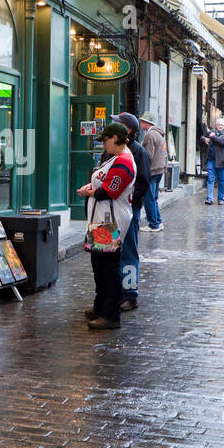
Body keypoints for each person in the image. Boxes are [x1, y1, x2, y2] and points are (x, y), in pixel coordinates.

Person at [77, 122, 136, 329]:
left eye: (105, 140)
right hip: (102, 220)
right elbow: (103, 183)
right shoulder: (116, 159)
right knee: (99, 266)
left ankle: (110, 314)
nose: (104, 144)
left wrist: (91, 192)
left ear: (116, 139)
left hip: (110, 222)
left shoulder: (124, 162)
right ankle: (101, 306)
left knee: (108, 268)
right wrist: (91, 186)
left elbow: (110, 190)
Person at [112, 112, 151, 312]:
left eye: (117, 124)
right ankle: (115, 292)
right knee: (112, 252)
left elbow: (143, 182)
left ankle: (130, 294)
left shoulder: (138, 152)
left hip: (128, 209)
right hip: (111, 209)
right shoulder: (114, 150)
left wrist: (129, 201)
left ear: (127, 130)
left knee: (128, 251)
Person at [139, 111, 166, 233]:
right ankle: (158, 222)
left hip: (152, 170)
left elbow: (147, 155)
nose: (140, 123)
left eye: (142, 121)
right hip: (159, 169)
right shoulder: (159, 134)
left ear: (147, 123)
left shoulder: (150, 135)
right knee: (153, 197)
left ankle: (153, 224)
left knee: (149, 198)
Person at [202, 118, 224, 205]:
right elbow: (201, 137)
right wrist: (204, 139)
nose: (220, 126)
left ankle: (220, 199)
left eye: (221, 125)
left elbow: (223, 142)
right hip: (211, 160)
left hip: (222, 162)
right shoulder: (211, 133)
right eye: (218, 124)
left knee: (221, 181)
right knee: (210, 179)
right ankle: (209, 198)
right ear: (216, 125)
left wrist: (213, 137)